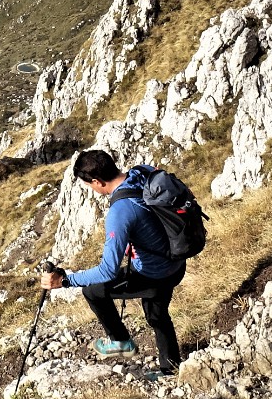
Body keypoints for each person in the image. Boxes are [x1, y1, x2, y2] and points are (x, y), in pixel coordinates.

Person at [40, 149, 186, 379]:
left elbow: (107, 271)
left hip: (155, 273)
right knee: (156, 314)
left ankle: (122, 343)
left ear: (97, 182)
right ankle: (171, 368)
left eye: (89, 185)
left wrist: (66, 280)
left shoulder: (120, 212)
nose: (91, 189)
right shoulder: (142, 173)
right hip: (176, 260)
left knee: (93, 291)